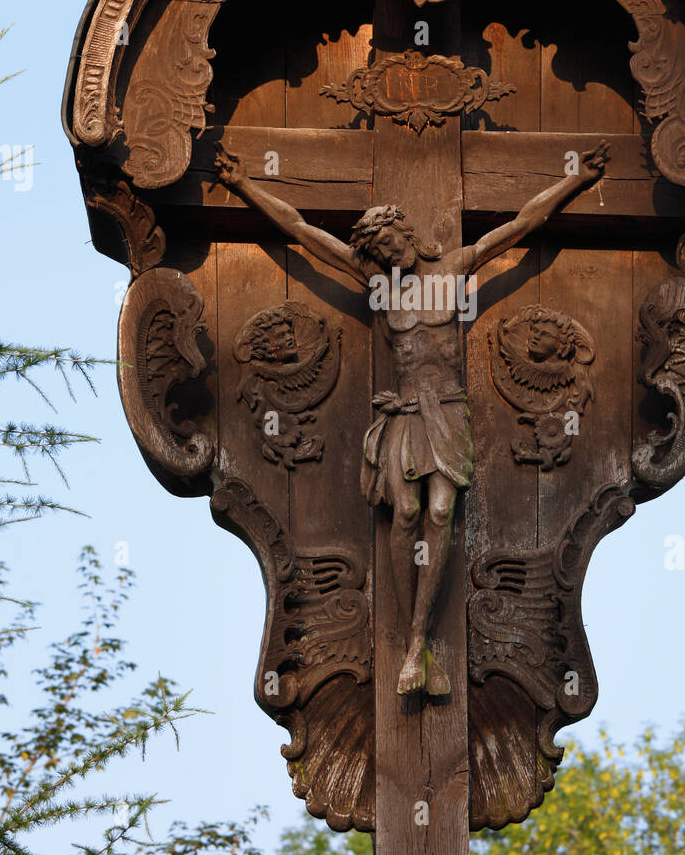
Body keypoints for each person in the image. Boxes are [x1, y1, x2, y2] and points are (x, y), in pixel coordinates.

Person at [215, 138, 608, 696]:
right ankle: (410, 644)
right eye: (377, 249)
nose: (388, 254)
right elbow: (303, 232)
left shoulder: (453, 270)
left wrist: (576, 182)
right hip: (404, 417)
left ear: (408, 234)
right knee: (404, 513)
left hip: (446, 413)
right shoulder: (381, 289)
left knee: (441, 510)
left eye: (391, 241)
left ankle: (420, 638)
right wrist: (244, 186)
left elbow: (520, 226)